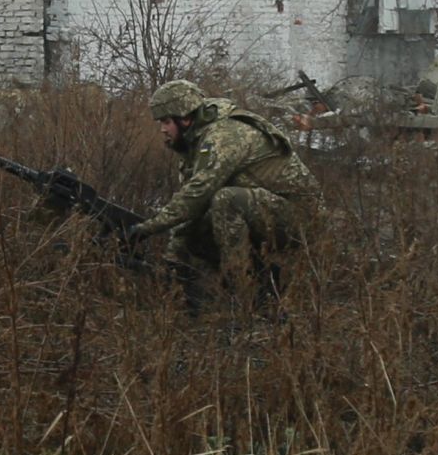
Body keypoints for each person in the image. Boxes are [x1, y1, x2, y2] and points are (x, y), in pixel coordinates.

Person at [126, 79, 322, 302]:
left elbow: (197, 195)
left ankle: (242, 293)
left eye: (166, 121)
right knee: (199, 227)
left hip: (302, 216)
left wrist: (146, 228)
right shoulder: (197, 140)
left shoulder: (225, 135)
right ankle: (264, 280)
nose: (162, 129)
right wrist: (173, 259)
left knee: (226, 200)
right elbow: (189, 211)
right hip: (268, 211)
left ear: (185, 118)